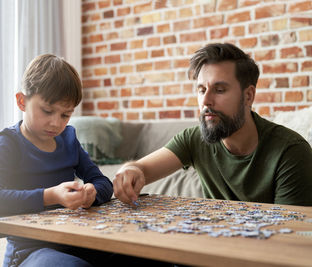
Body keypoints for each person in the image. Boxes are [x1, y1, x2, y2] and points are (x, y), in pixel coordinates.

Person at [113, 43, 312, 207]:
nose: (206, 101)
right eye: (201, 90)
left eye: (219, 90)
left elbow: (290, 238)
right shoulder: (194, 138)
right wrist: (131, 171)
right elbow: (141, 169)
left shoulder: (291, 152)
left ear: (248, 96)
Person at [0, 54, 114, 267]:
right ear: (22, 101)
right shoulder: (10, 142)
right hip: (28, 253)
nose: (55, 123)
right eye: (47, 111)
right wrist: (49, 196)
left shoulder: (69, 139)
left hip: (74, 241)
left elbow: (103, 183)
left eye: (65, 115)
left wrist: (91, 194)